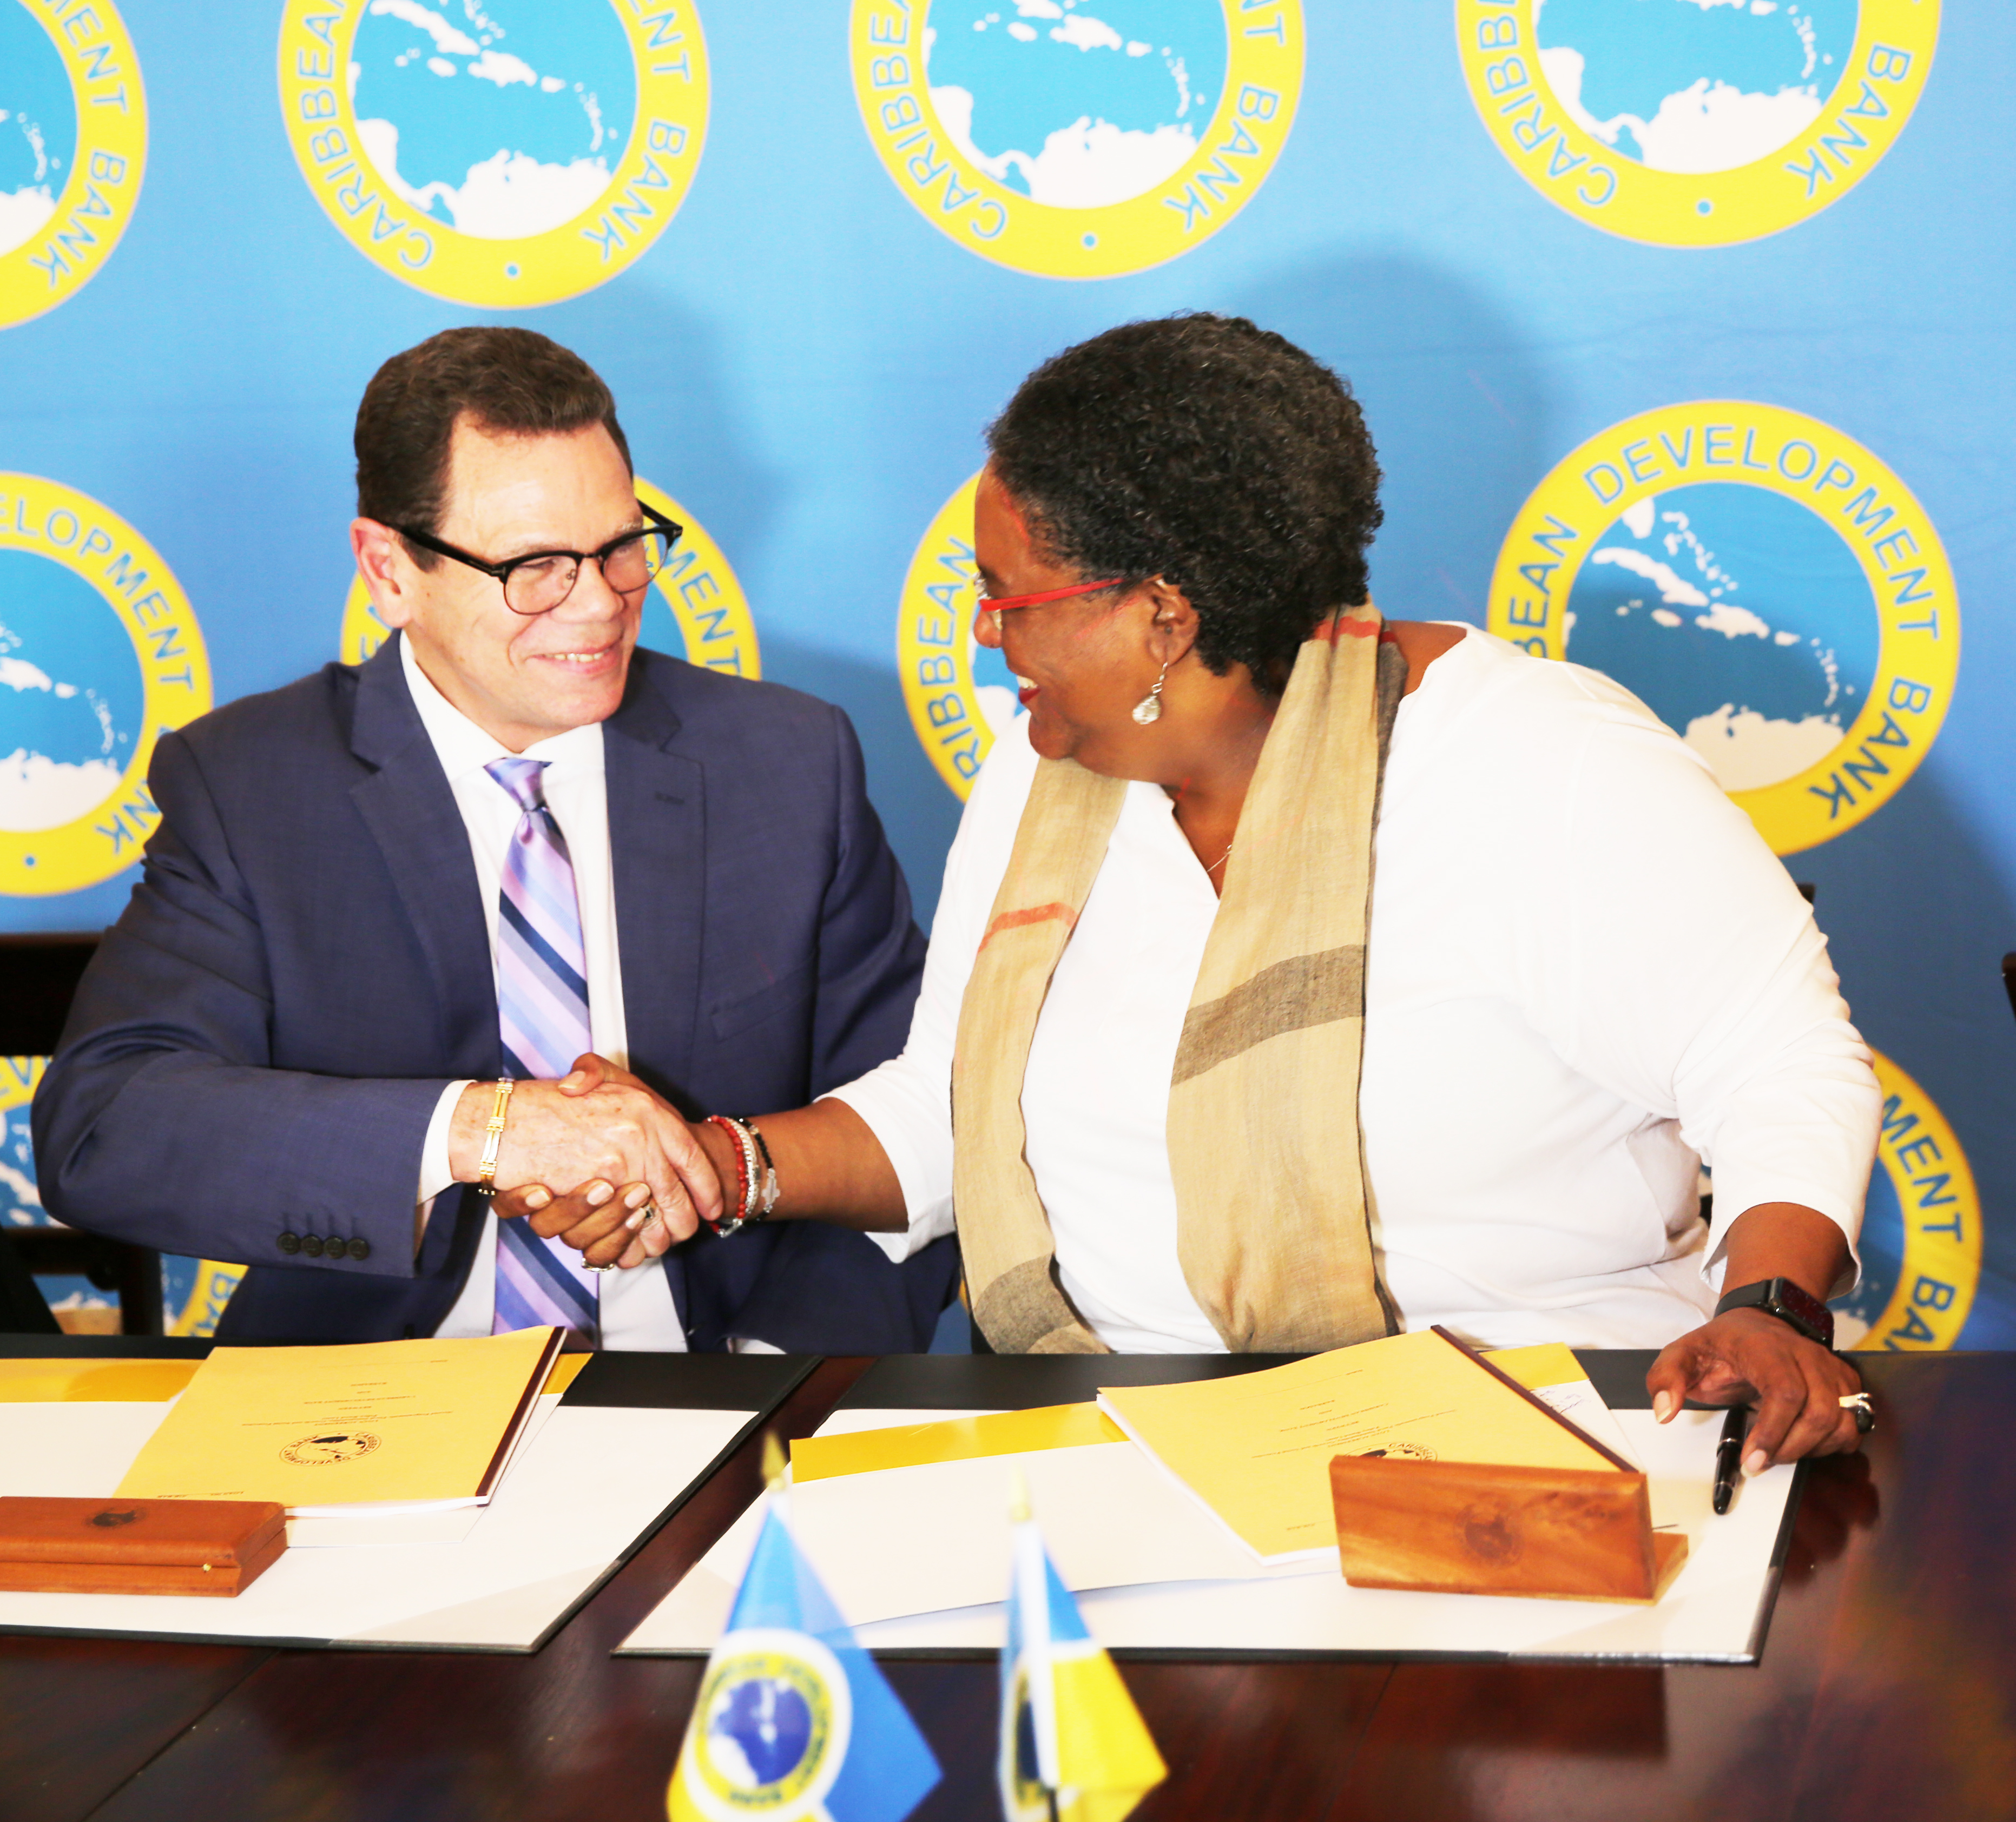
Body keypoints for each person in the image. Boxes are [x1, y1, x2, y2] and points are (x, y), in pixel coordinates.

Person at [521, 312, 1880, 1472]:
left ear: (1161, 615)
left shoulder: (1536, 758)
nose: (988, 639)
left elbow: (1780, 1064)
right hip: (1130, 1452)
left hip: (1543, 1436)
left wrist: (1767, 1305)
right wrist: (715, 1168)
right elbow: (956, 1114)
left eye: (1012, 599)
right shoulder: (1041, 771)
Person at [32, 326, 957, 1353]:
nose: (602, 603)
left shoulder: (787, 764)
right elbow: (106, 1123)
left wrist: (767, 1385)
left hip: (720, 1383)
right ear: (389, 569)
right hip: (371, 1399)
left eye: (619, 546)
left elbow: (917, 1130)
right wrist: (490, 1131)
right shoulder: (252, 785)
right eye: (536, 568)